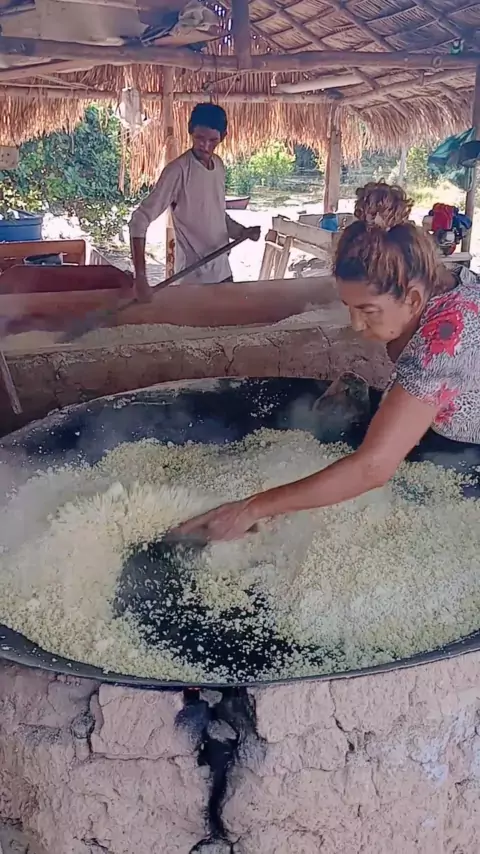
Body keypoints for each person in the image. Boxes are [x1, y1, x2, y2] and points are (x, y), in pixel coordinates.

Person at [178, 181, 480, 541]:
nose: (356, 325)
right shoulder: (445, 283)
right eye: (349, 307)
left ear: (413, 299)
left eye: (368, 310)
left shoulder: (445, 340)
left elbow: (373, 468)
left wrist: (252, 509)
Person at [129, 102, 260, 300]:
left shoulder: (218, 166)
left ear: (223, 136)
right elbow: (139, 221)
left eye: (212, 140)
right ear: (190, 130)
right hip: (193, 280)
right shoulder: (178, 171)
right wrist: (140, 277)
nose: (205, 146)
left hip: (223, 273)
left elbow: (217, 215)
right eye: (199, 138)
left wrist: (242, 232)